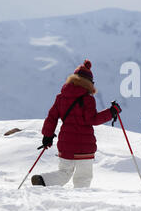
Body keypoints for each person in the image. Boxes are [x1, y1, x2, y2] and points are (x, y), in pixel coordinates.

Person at [31, 59, 121, 188]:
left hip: (66, 143)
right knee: (83, 178)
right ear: (89, 82)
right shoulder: (88, 99)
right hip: (84, 146)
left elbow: (52, 117)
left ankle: (43, 180)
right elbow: (92, 120)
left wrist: (47, 136)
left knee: (64, 173)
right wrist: (112, 112)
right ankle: (80, 200)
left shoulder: (61, 97)